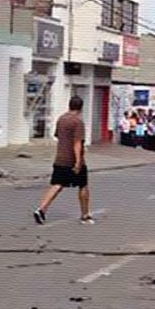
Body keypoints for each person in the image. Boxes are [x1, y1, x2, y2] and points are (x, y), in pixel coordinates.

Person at [33, 96, 94, 225]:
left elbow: (57, 135)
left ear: (69, 105)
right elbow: (77, 142)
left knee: (57, 184)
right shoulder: (77, 122)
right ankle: (85, 215)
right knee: (83, 185)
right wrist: (78, 161)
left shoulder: (61, 119)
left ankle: (41, 209)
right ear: (81, 107)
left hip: (60, 158)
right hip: (73, 160)